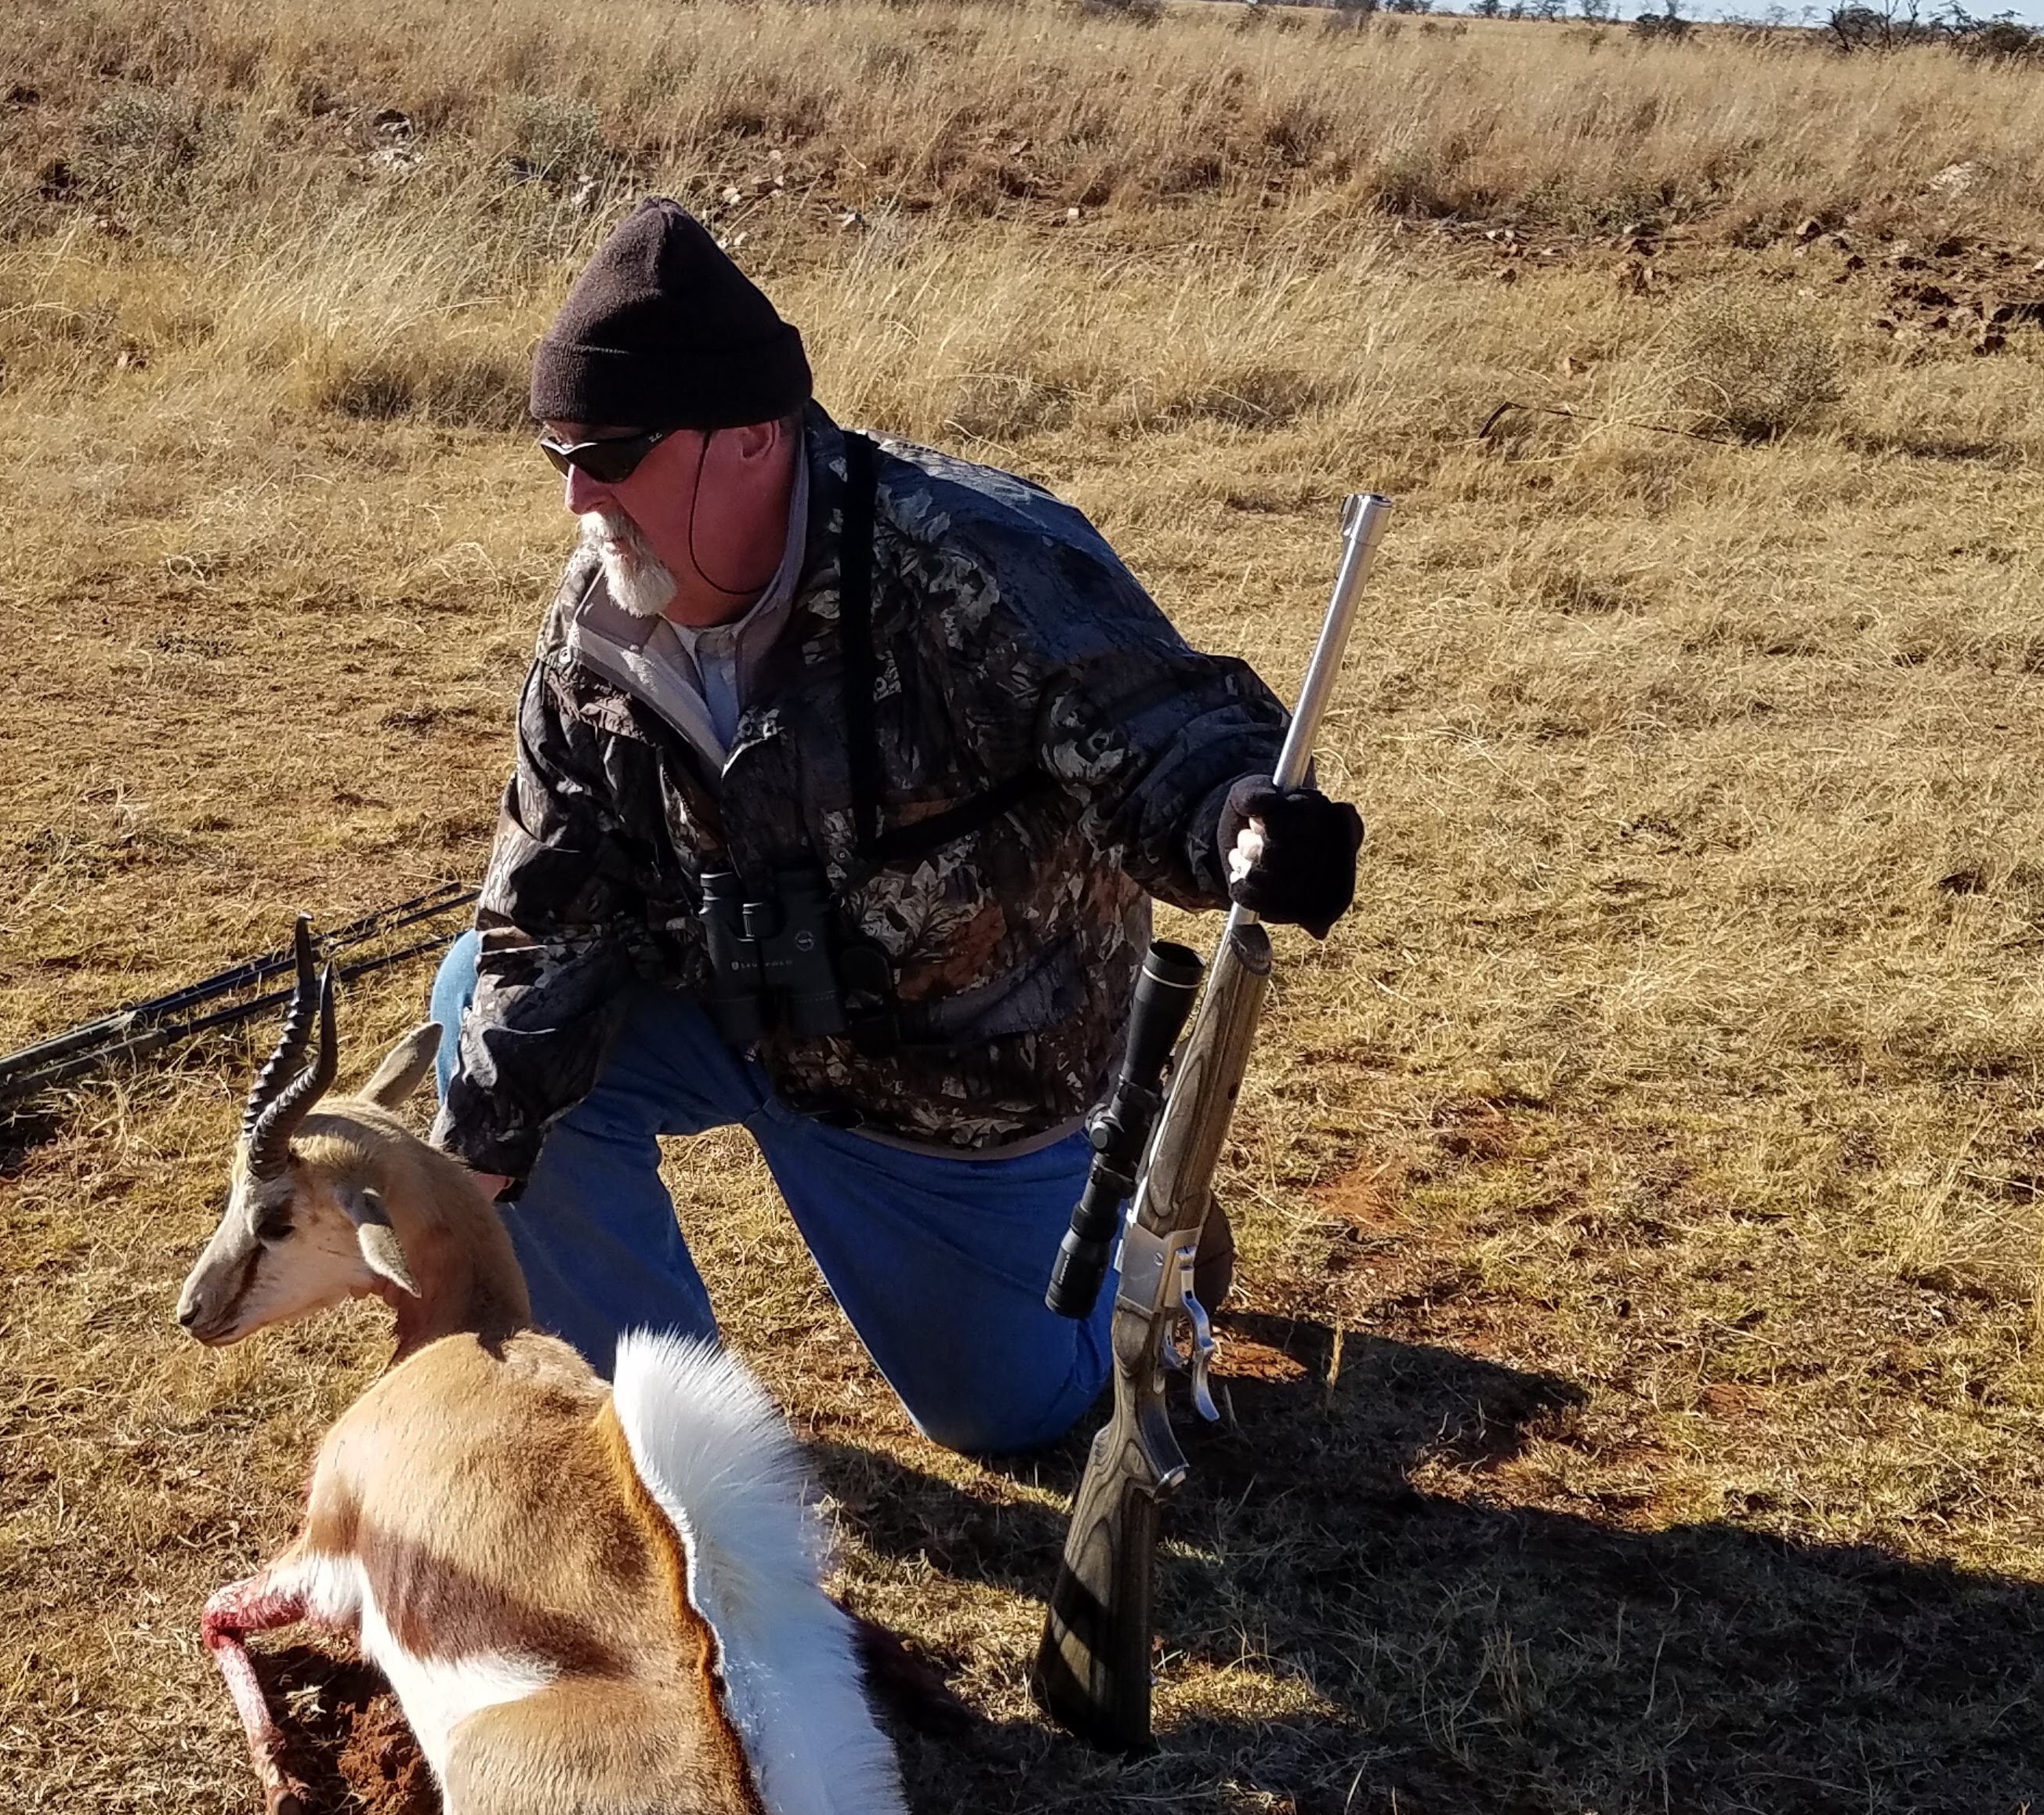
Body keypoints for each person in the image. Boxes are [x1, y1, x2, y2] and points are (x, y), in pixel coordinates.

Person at [425, 198, 1361, 1453]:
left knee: (1012, 1415)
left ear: (754, 437)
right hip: (732, 1017)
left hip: (953, 1090)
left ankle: (1132, 1210)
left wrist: (1243, 820)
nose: (579, 498)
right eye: (561, 456)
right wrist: (476, 1168)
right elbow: (546, 912)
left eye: (613, 451)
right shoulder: (599, 621)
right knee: (476, 1008)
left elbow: (1164, 737)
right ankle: (666, 1442)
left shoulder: (971, 553)